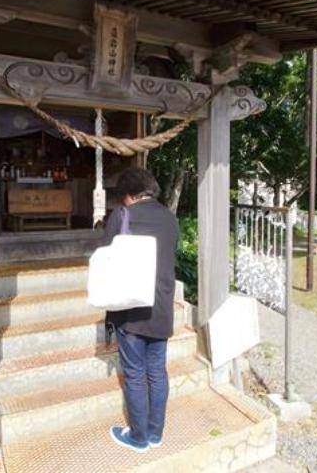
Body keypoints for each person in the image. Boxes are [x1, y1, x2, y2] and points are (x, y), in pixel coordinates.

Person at [103, 167, 179, 453]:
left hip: (131, 310)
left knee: (135, 373)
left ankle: (138, 437)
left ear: (129, 195)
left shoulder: (124, 216)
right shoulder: (170, 218)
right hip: (161, 308)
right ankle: (156, 434)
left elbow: (105, 256)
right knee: (157, 371)